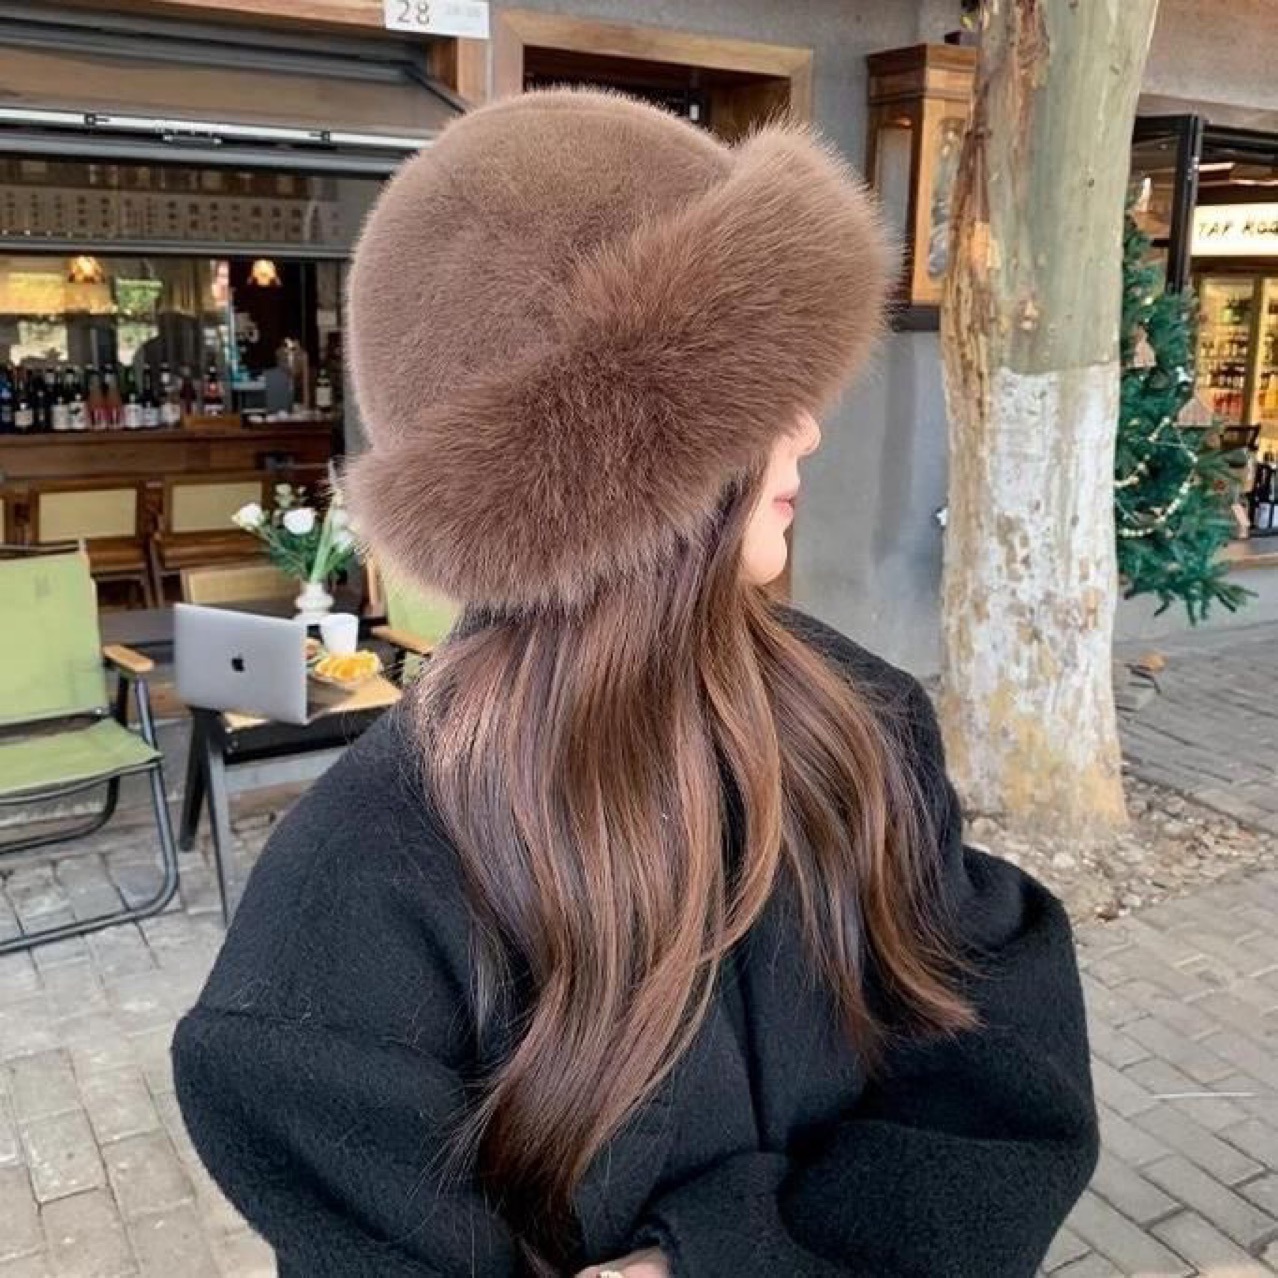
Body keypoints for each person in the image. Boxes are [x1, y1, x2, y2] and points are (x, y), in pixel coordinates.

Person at [172, 88, 1098, 1277]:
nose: (809, 431)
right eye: (758, 392)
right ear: (635, 458)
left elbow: (1001, 1072)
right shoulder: (347, 915)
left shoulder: (854, 723)